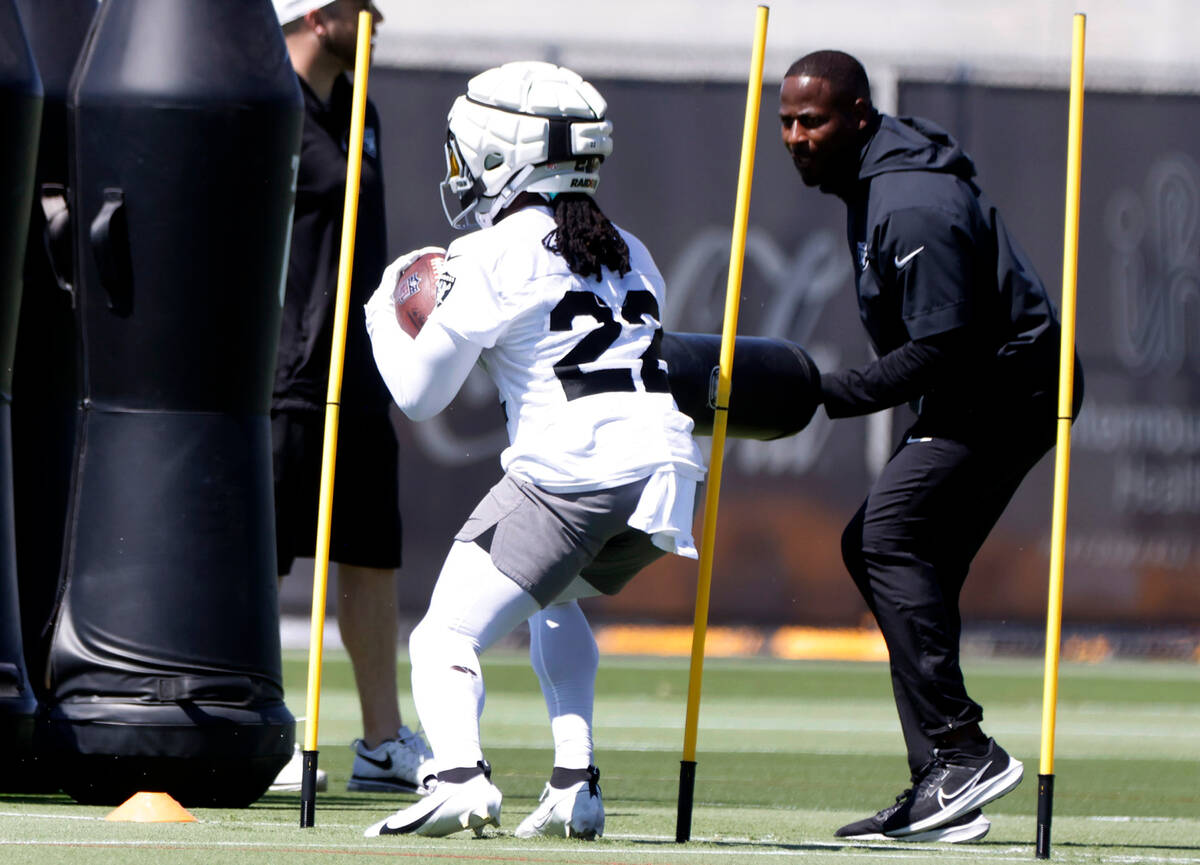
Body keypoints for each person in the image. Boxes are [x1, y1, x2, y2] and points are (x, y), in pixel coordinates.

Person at [360, 61, 707, 839]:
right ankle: (575, 780)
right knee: (557, 600)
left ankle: (457, 774)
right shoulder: (633, 247)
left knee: (443, 635)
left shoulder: (490, 252)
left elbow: (420, 395)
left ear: (497, 152)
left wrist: (386, 303)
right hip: (666, 467)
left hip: (575, 468)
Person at [778, 50, 1082, 843]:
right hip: (979, 384)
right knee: (901, 557)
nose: (795, 137)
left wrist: (826, 394)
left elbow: (943, 349)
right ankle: (944, 784)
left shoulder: (909, 202)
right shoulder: (872, 183)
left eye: (813, 120)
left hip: (1011, 388)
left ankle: (961, 750)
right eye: (786, 122)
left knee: (886, 536)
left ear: (858, 118)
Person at [268, 0, 434, 795]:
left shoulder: (359, 104)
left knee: (371, 554)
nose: (376, 15)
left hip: (358, 370)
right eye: (358, 4)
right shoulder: (258, 90)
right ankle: (254, 723)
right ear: (309, 10)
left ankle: (379, 740)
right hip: (281, 372)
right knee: (256, 556)